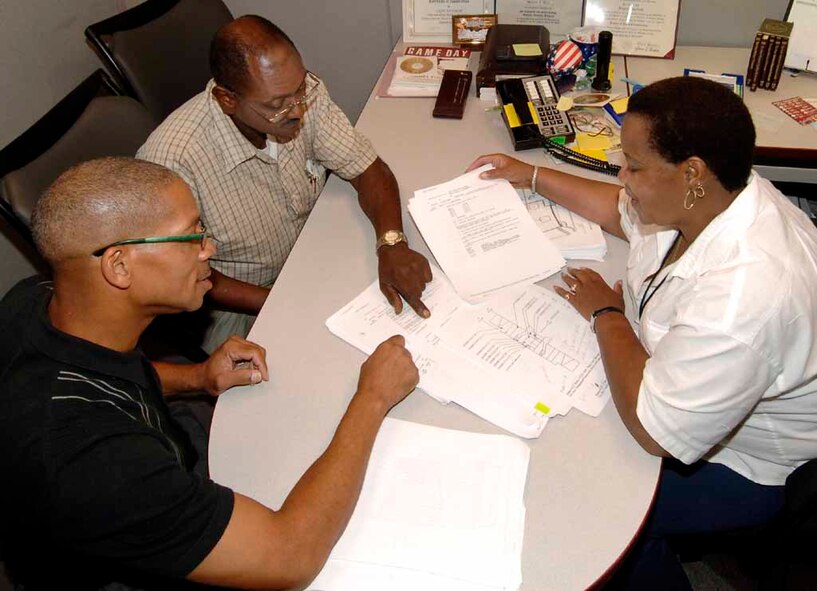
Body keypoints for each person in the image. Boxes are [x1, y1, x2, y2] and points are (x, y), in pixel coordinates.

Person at [0, 157, 419, 590]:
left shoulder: (40, 301)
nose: (209, 248)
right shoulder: (92, 462)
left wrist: (197, 377)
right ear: (119, 266)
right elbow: (291, 557)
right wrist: (373, 397)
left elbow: (109, 382)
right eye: (192, 234)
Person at [468, 76, 817, 589]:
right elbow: (619, 210)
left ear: (692, 172)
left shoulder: (747, 297)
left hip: (750, 464)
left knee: (588, 514)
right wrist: (531, 175)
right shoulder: (716, 194)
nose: (621, 173)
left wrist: (607, 314)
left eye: (633, 164)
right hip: (696, 395)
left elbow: (655, 432)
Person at [138, 15, 432, 353]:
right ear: (227, 99)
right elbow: (186, 275)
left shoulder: (297, 94)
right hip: (243, 304)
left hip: (307, 258)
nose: (296, 111)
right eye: (276, 106)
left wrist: (391, 243)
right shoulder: (173, 161)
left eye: (300, 91)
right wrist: (283, 304)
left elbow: (367, 168)